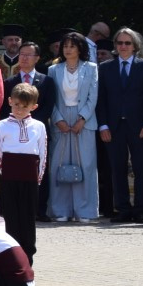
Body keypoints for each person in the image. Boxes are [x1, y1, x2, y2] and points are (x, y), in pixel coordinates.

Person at [98, 27, 143, 223]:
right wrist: (103, 125)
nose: (123, 46)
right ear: (115, 45)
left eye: (127, 43)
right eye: (120, 43)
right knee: (117, 169)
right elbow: (101, 99)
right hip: (113, 127)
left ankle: (141, 210)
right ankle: (122, 209)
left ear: (135, 46)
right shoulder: (105, 68)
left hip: (139, 126)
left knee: (141, 169)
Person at [0, 42, 56, 221]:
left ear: (37, 58)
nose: (23, 58)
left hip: (36, 130)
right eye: (21, 54)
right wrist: (18, 121)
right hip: (13, 132)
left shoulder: (46, 81)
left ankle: (40, 209)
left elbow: (48, 107)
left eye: (28, 55)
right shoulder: (9, 82)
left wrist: (30, 121)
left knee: (40, 168)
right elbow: (4, 108)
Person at [47, 32, 100, 222]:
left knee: (86, 164)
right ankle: (61, 210)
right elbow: (51, 98)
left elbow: (93, 96)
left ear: (80, 48)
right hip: (61, 118)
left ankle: (85, 211)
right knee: (59, 164)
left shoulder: (91, 68)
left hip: (83, 119)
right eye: (65, 46)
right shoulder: (54, 69)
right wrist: (58, 119)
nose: (68, 49)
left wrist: (82, 118)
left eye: (72, 46)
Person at [0, 83, 48, 263]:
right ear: (10, 101)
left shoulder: (39, 126)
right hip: (9, 177)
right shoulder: (1, 125)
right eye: (16, 104)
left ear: (34, 106)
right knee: (11, 217)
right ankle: (13, 255)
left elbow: (43, 153)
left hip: (30, 177)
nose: (19, 109)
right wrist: (4, 176)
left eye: (25, 106)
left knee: (28, 217)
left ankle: (28, 256)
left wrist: (38, 178)